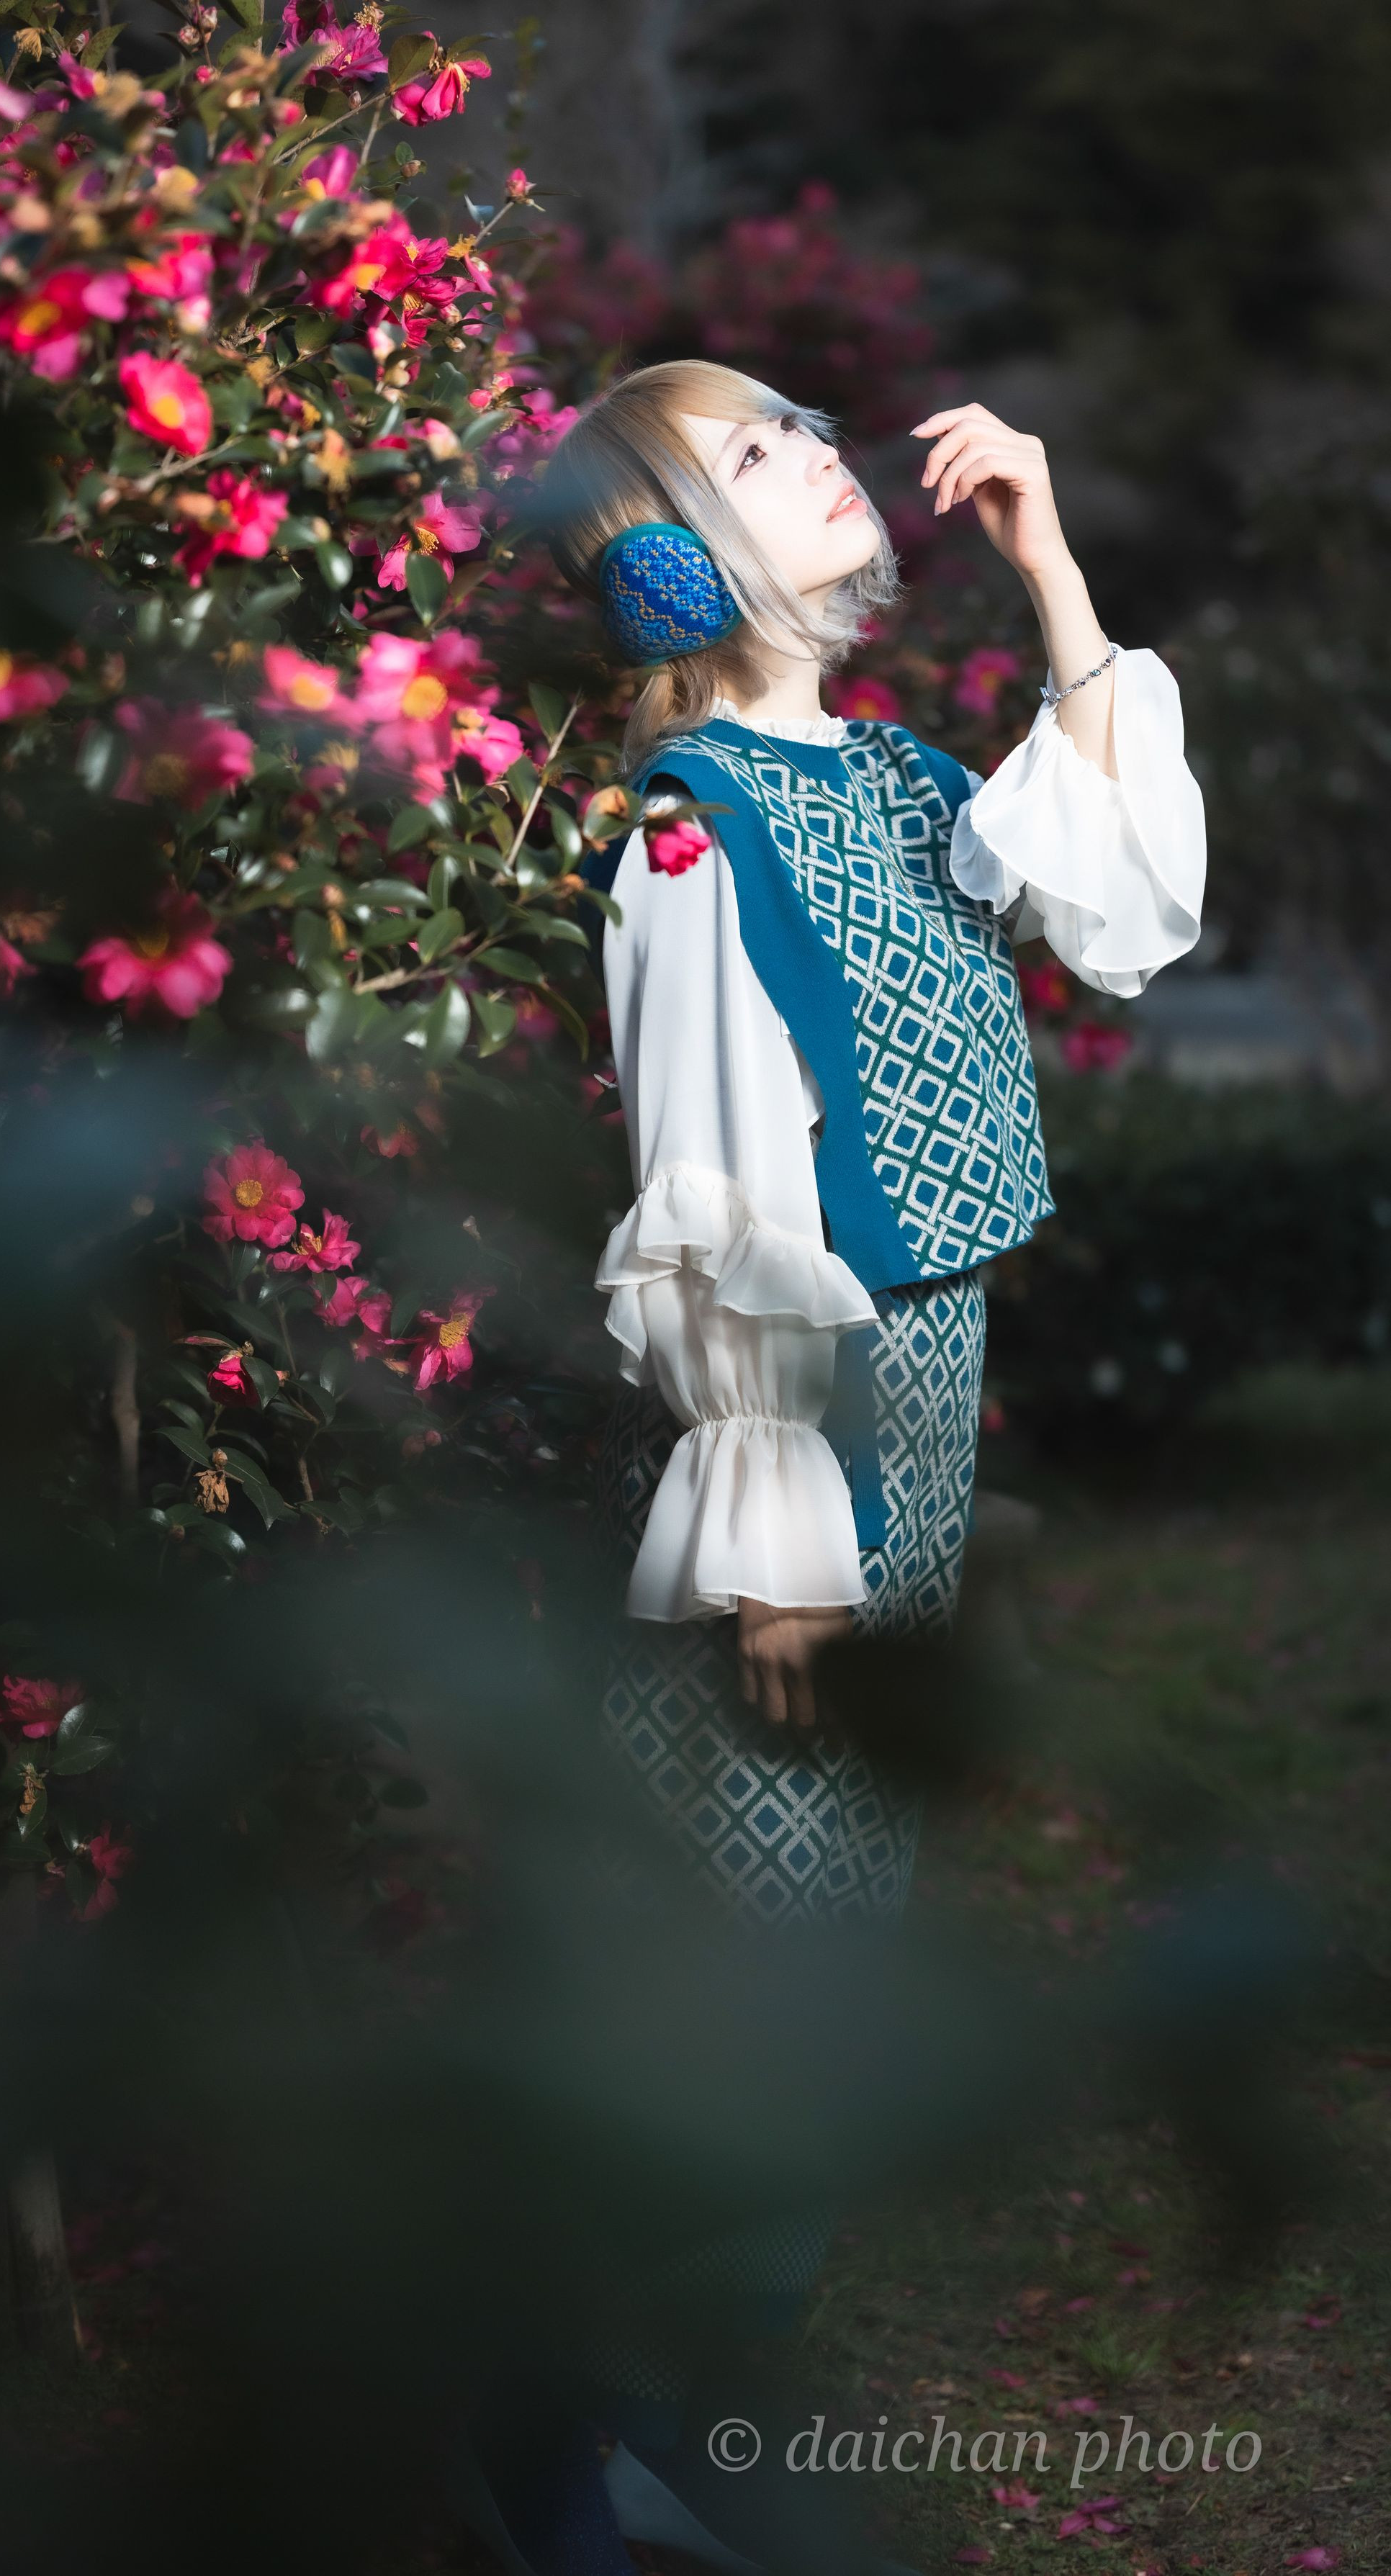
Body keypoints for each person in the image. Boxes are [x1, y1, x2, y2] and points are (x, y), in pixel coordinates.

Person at [452, 361, 1205, 2576]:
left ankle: (622, 2409)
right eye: (754, 448)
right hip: (801, 1440)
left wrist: (1052, 573)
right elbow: (706, 1186)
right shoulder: (691, 831)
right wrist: (781, 1541)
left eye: (797, 419)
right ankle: (587, 2415)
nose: (816, 450)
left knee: (814, 1934)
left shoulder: (881, 773)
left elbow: (1112, 907)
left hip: (916, 1412)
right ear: (671, 558)